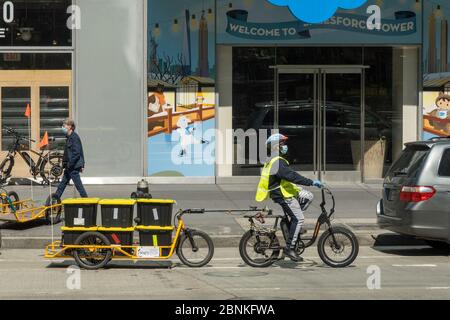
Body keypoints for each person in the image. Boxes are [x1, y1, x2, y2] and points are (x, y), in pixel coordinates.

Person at [255, 133, 322, 262]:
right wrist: (311, 182)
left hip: (284, 191)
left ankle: (291, 226)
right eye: (282, 144)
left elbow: (288, 178)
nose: (284, 146)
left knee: (308, 196)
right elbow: (291, 176)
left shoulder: (275, 159)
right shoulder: (277, 161)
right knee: (299, 218)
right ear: (275, 147)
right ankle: (290, 248)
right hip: (282, 194)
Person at [55, 119, 88, 199]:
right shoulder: (69, 137)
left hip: (73, 166)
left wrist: (76, 164)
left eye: (64, 125)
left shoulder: (74, 137)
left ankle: (87, 202)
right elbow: (67, 153)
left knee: (78, 185)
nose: (63, 127)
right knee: (62, 184)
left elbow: (77, 153)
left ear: (70, 127)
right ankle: (55, 199)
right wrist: (64, 164)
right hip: (69, 166)